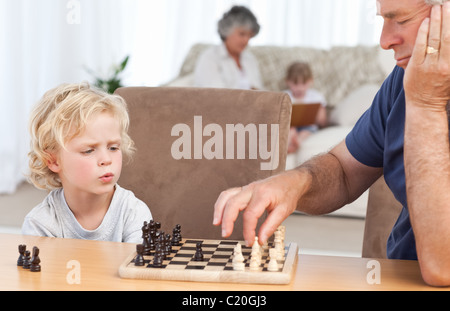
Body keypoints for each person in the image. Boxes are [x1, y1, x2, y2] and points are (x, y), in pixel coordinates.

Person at [213, 0, 450, 286]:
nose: (385, 41)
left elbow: (443, 268)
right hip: (398, 275)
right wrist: (296, 182)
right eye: (383, 20)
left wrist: (426, 103)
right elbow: (343, 170)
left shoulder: (421, 86)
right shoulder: (402, 79)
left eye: (400, 20)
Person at [22, 82, 152, 243]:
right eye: (89, 151)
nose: (106, 159)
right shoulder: (40, 224)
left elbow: (137, 267)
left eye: (113, 148)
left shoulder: (134, 213)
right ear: (53, 160)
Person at [193, 5, 263, 90]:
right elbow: (216, 95)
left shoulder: (250, 59)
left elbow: (259, 91)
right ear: (226, 30)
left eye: (249, 35)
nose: (246, 40)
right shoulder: (210, 57)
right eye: (242, 34)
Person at [284, 62, 328, 154]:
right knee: (290, 131)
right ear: (287, 81)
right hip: (290, 126)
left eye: (303, 83)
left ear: (310, 81)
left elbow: (323, 121)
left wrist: (319, 116)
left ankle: (297, 142)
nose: (300, 88)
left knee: (305, 132)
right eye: (295, 83)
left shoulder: (316, 97)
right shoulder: (284, 96)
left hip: (308, 126)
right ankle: (288, 145)